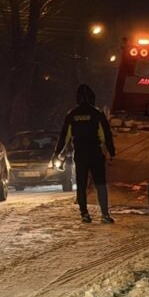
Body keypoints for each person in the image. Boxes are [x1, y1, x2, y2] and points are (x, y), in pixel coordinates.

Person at [54, 84, 116, 223]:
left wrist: (57, 153)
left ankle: (84, 214)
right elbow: (106, 135)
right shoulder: (97, 113)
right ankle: (105, 215)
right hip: (95, 153)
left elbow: (64, 136)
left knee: (81, 184)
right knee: (100, 183)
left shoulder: (72, 114)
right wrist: (112, 152)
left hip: (80, 154)